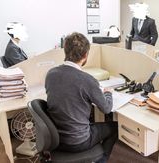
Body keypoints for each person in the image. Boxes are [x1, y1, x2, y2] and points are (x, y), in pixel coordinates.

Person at [45, 32, 118, 162]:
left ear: (65, 51)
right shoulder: (87, 80)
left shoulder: (51, 74)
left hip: (55, 138)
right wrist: (108, 93)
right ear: (85, 55)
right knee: (114, 127)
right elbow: (106, 109)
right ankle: (102, 160)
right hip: (77, 141)